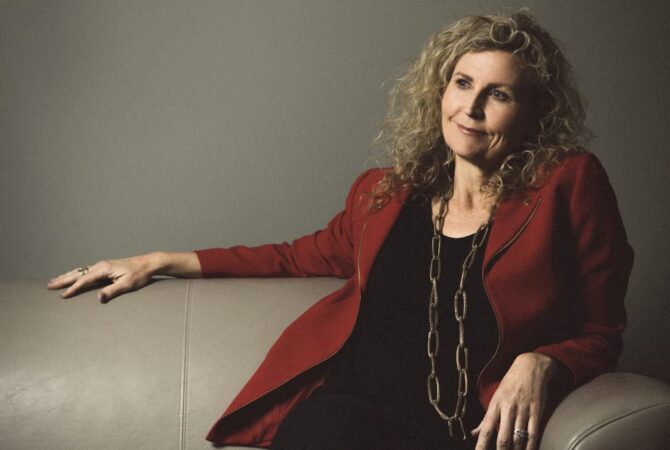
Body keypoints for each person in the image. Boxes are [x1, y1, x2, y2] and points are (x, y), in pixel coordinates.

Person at [47, 10, 634, 450]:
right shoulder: (382, 194)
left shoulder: (569, 185)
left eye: (498, 94)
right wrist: (157, 261)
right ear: (441, 89)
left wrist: (542, 361)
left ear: (533, 113)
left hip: (474, 431)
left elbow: (602, 332)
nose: (471, 108)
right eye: (462, 83)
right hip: (351, 418)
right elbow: (290, 256)